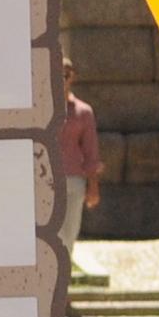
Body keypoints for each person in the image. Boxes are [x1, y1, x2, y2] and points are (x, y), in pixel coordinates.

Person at [50, 53, 100, 278]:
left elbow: (90, 150)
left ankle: (62, 281)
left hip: (73, 179)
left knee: (69, 233)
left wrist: (93, 185)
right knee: (48, 232)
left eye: (66, 74)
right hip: (44, 180)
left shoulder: (83, 112)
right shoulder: (39, 108)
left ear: (72, 77)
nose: (61, 78)